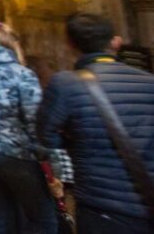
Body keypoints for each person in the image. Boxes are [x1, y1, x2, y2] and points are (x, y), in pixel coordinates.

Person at [37, 13, 154, 233]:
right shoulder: (150, 81)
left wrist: (76, 137)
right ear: (115, 41)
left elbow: (45, 137)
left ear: (70, 43)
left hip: (100, 202)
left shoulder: (65, 84)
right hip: (147, 200)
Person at [0, 22, 56, 233]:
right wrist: (45, 157)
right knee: (43, 218)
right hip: (14, 152)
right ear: (14, 43)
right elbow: (34, 119)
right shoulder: (22, 74)